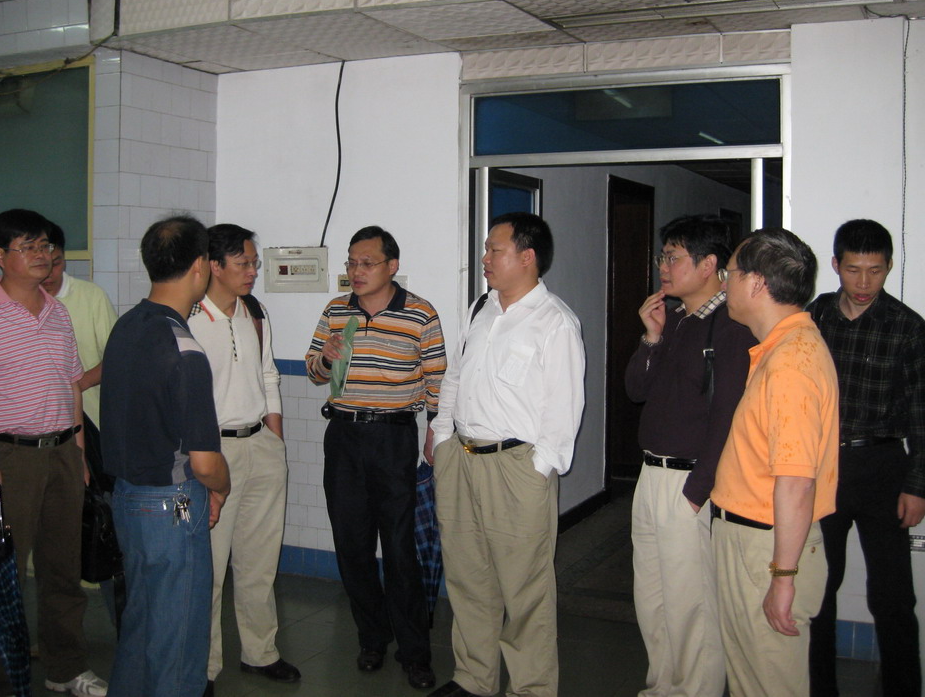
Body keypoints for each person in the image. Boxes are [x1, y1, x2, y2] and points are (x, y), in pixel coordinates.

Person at [0, 208, 107, 697]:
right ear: (0, 255)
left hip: (62, 453)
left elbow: (71, 385)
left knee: (63, 569)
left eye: (46, 246)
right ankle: (5, 683)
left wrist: (78, 451)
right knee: (6, 575)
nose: (43, 255)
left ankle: (65, 669)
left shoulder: (57, 312)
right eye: (29, 247)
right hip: (7, 458)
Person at [428, 212, 586, 697]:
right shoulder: (481, 307)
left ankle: (531, 687)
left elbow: (564, 408)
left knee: (524, 589)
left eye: (494, 250)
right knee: (468, 577)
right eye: (487, 249)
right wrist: (440, 433)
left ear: (527, 257)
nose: (485, 259)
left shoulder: (555, 321)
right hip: (461, 458)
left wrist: (539, 469)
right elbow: (456, 374)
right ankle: (474, 678)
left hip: (517, 467)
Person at [305, 225, 445, 691]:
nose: (356, 271)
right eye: (351, 262)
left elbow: (437, 382)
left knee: (401, 549)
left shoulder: (420, 313)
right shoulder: (336, 310)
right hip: (343, 436)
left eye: (367, 263)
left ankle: (415, 652)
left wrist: (433, 435)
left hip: (393, 439)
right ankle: (372, 638)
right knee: (352, 546)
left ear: (392, 266)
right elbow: (313, 371)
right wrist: (326, 358)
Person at [807, 219, 925, 697]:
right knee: (818, 592)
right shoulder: (814, 317)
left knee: (893, 598)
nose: (864, 283)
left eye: (876, 271)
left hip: (884, 467)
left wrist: (917, 485)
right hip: (824, 468)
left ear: (888, 267)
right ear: (836, 265)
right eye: (853, 270)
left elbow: (924, 412)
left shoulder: (908, 327)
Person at [624, 214, 756, 697]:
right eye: (663, 256)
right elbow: (636, 390)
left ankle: (695, 690)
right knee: (653, 597)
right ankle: (662, 686)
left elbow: (728, 419)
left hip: (691, 482)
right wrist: (651, 337)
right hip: (651, 475)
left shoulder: (731, 327)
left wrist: (698, 491)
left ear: (708, 265)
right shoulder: (675, 318)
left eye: (673, 257)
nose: (663, 266)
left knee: (692, 605)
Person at [100, 215, 230, 697]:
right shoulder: (184, 348)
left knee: (142, 623)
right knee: (179, 637)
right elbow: (204, 461)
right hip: (172, 508)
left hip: (127, 499)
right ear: (200, 266)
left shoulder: (127, 326)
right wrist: (221, 488)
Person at [711, 227, 839, 697]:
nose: (724, 283)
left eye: (730, 273)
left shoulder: (791, 362)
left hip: (765, 547)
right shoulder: (781, 348)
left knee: (769, 684)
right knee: (751, 681)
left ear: (757, 283)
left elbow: (796, 482)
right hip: (753, 540)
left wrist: (783, 577)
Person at [187, 224, 299, 693]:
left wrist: (275, 438)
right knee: (209, 568)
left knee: (259, 561)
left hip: (261, 446)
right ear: (214, 265)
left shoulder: (255, 311)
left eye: (254, 262)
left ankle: (260, 652)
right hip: (213, 452)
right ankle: (204, 667)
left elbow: (268, 374)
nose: (253, 271)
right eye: (244, 263)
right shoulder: (189, 317)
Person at [42, 221, 117, 437]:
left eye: (56, 263)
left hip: (91, 417)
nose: (49, 273)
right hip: (37, 424)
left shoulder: (91, 296)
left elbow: (116, 357)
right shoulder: (17, 304)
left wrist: (74, 386)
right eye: (42, 265)